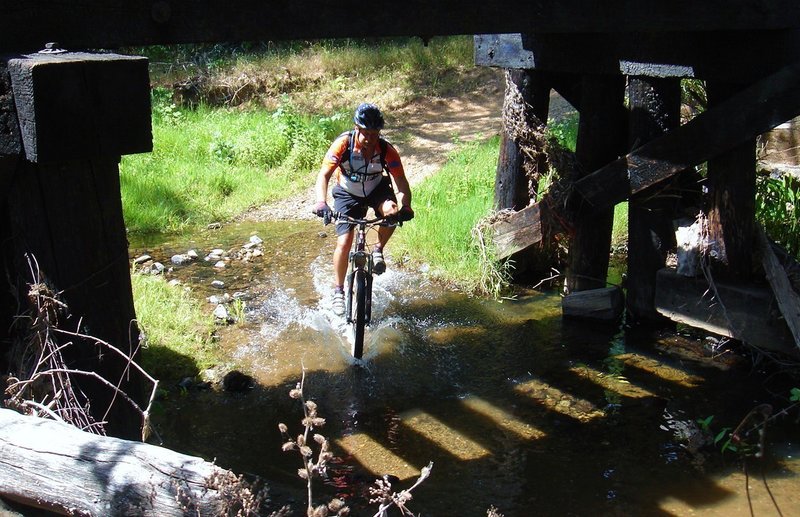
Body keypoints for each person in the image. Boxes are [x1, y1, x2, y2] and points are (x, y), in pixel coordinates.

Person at [312, 103, 414, 316]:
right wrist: (322, 202)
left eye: (374, 134)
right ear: (356, 129)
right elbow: (324, 175)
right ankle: (338, 290)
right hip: (347, 193)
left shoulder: (386, 150)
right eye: (365, 133)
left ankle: (377, 249)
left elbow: (401, 182)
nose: (369, 138)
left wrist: (406, 206)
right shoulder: (343, 145)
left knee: (392, 211)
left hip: (376, 189)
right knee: (345, 241)